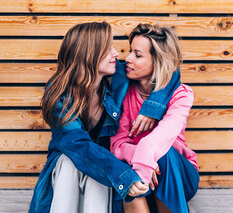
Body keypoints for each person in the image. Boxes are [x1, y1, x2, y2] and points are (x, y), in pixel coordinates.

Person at [28, 22, 181, 213]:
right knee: (69, 163)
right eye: (108, 49)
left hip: (105, 167)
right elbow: (78, 145)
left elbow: (168, 68)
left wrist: (152, 108)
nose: (116, 54)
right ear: (90, 54)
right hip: (74, 165)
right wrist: (123, 176)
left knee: (99, 171)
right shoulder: (59, 94)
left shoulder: (118, 76)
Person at [111, 24, 199, 213]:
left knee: (164, 154)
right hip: (138, 174)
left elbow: (161, 137)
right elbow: (117, 143)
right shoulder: (123, 93)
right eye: (129, 52)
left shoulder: (182, 95)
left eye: (138, 54)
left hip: (179, 175)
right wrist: (141, 161)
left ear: (158, 61)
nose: (127, 58)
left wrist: (147, 158)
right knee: (125, 172)